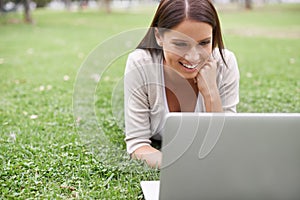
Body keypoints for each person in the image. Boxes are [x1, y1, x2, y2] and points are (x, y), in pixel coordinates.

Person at [124, 0, 239, 168]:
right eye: (180, 44)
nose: (193, 57)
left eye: (204, 43)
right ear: (158, 36)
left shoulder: (224, 62)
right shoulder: (140, 63)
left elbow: (223, 144)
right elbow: (138, 145)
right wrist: (183, 166)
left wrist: (210, 92)